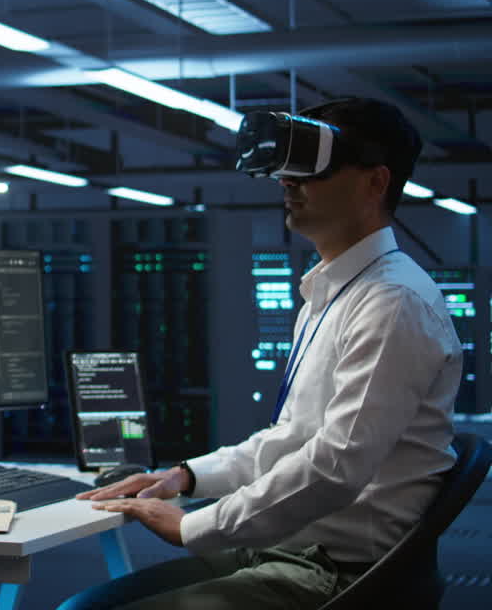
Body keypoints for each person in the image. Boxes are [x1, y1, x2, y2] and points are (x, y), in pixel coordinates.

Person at [69, 98, 462, 609]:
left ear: (375, 182)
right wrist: (186, 477)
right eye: (288, 169)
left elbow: (335, 466)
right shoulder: (333, 293)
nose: (288, 181)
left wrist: (196, 525)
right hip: (295, 547)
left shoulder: (392, 303)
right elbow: (295, 438)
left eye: (314, 168)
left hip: (339, 574)